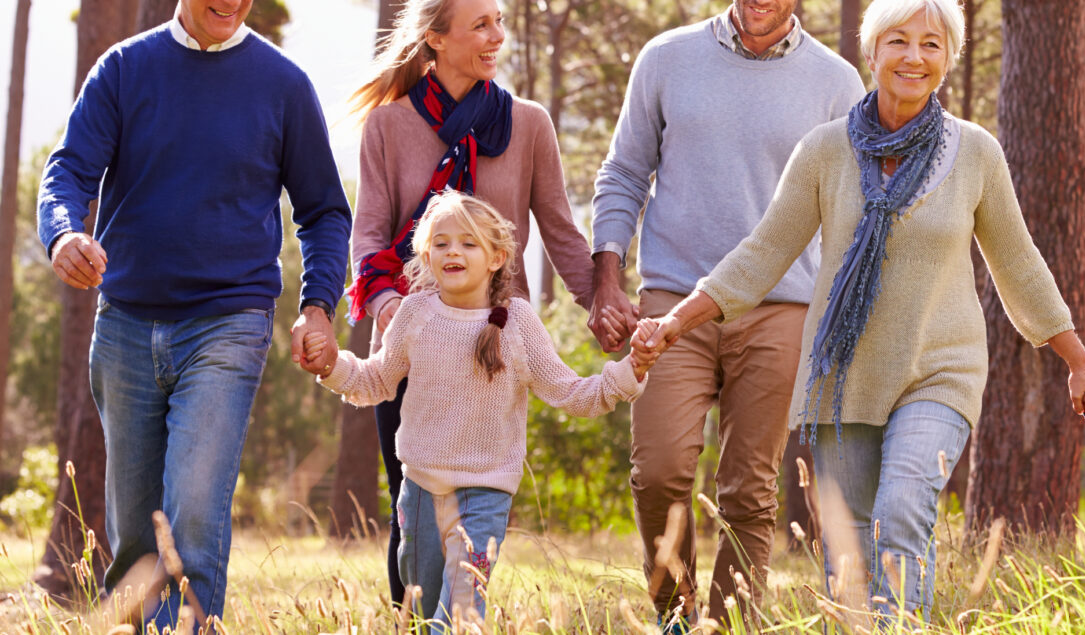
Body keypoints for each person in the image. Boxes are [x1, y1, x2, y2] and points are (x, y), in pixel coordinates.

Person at [634, 0, 1085, 620]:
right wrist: (674, 322)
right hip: (845, 373)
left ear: (949, 60)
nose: (914, 57)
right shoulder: (825, 151)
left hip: (940, 369)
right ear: (873, 52)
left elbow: (1018, 265)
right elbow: (762, 255)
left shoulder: (975, 154)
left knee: (902, 506)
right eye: (899, 41)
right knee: (851, 542)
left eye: (931, 44)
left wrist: (1077, 363)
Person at [34, 0, 351, 629]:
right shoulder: (125, 68)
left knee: (196, 515)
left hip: (230, 320)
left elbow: (323, 211)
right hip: (125, 322)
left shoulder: (284, 85)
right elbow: (68, 171)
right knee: (133, 531)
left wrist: (317, 305)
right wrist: (64, 233)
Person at [588, 0, 865, 626]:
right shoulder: (666, 58)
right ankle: (676, 617)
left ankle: (730, 624)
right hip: (670, 303)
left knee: (748, 489)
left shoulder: (836, 81)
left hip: (783, 307)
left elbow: (852, 206)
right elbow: (624, 172)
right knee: (659, 471)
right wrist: (606, 276)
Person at [343, 0, 627, 602]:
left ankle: (461, 616)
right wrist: (389, 301)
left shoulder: (528, 124)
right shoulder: (389, 125)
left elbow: (559, 231)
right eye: (481, 24)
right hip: (410, 343)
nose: (498, 36)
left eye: (500, 20)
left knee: (477, 517)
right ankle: (414, 618)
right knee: (413, 514)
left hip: (494, 345)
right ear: (437, 40)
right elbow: (368, 232)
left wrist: (599, 304)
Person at [302, 191, 653, 631]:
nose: (453, 251)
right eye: (442, 243)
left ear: (496, 257)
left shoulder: (517, 324)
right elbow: (375, 381)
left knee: (460, 615)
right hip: (421, 493)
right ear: (427, 256)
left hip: (484, 495)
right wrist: (333, 365)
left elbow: (572, 393)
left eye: (468, 243)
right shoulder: (414, 314)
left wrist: (630, 371)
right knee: (425, 612)